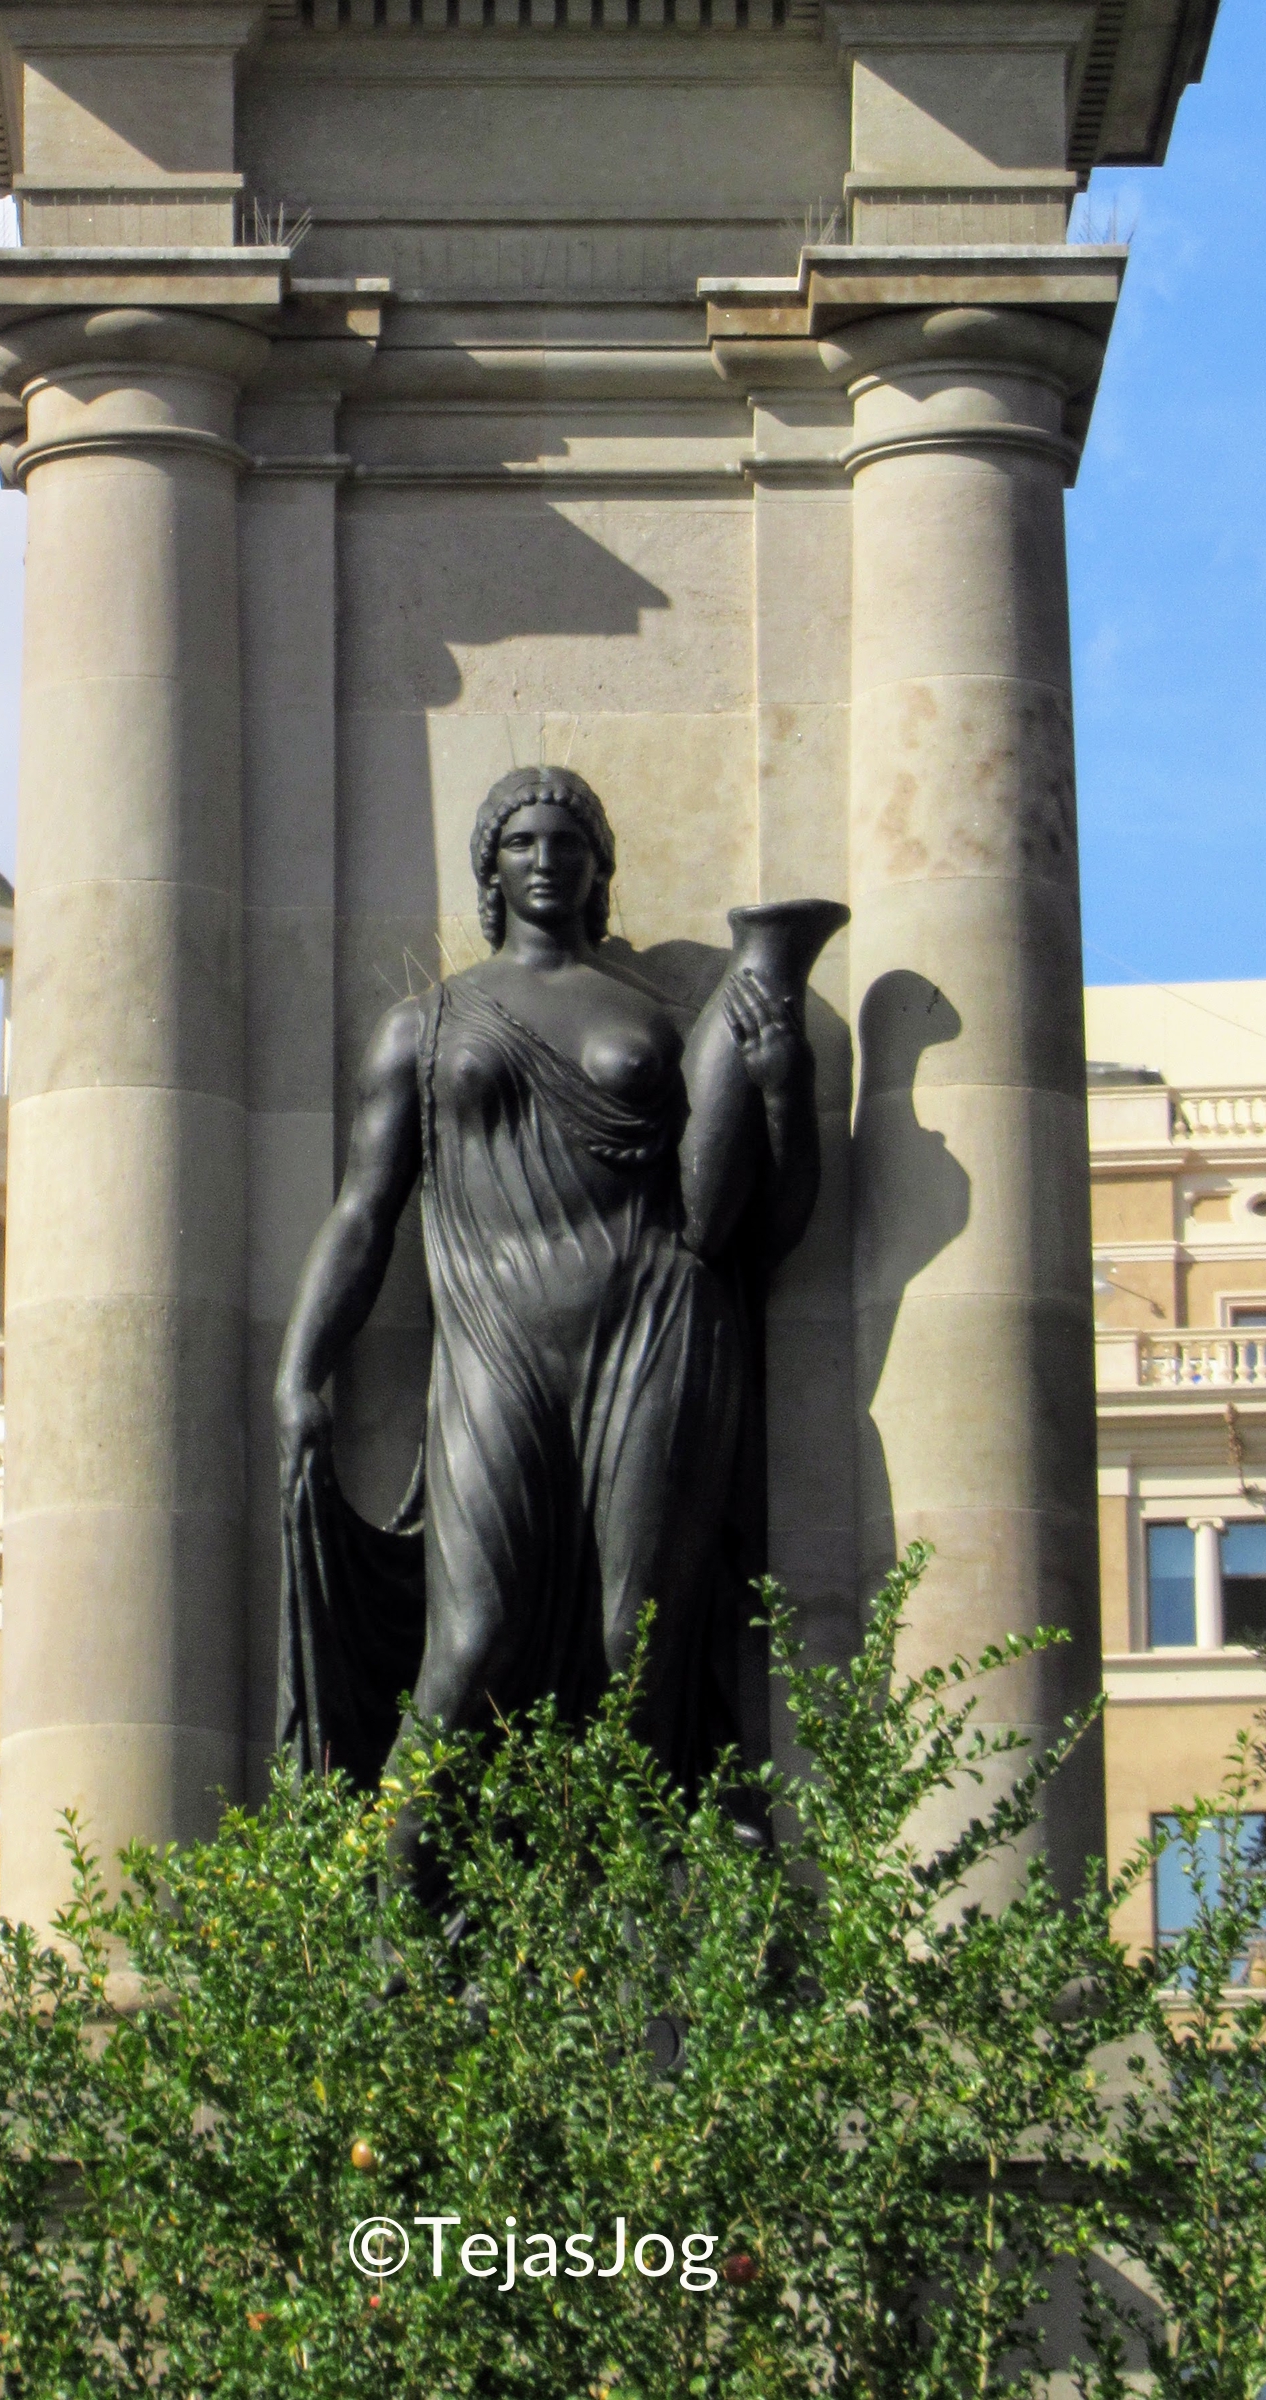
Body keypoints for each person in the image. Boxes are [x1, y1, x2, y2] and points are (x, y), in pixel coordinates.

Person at [273, 765, 816, 1797]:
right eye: (521, 842)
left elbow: (741, 1230)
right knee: (471, 1637)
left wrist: (784, 1091)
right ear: (489, 866)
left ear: (599, 868)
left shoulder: (660, 1023)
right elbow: (361, 1215)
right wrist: (300, 1372)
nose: (546, 861)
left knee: (635, 1641)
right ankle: (386, 1897)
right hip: (496, 1342)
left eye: (569, 843)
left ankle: (636, 1903)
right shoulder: (423, 1026)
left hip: (655, 1331)